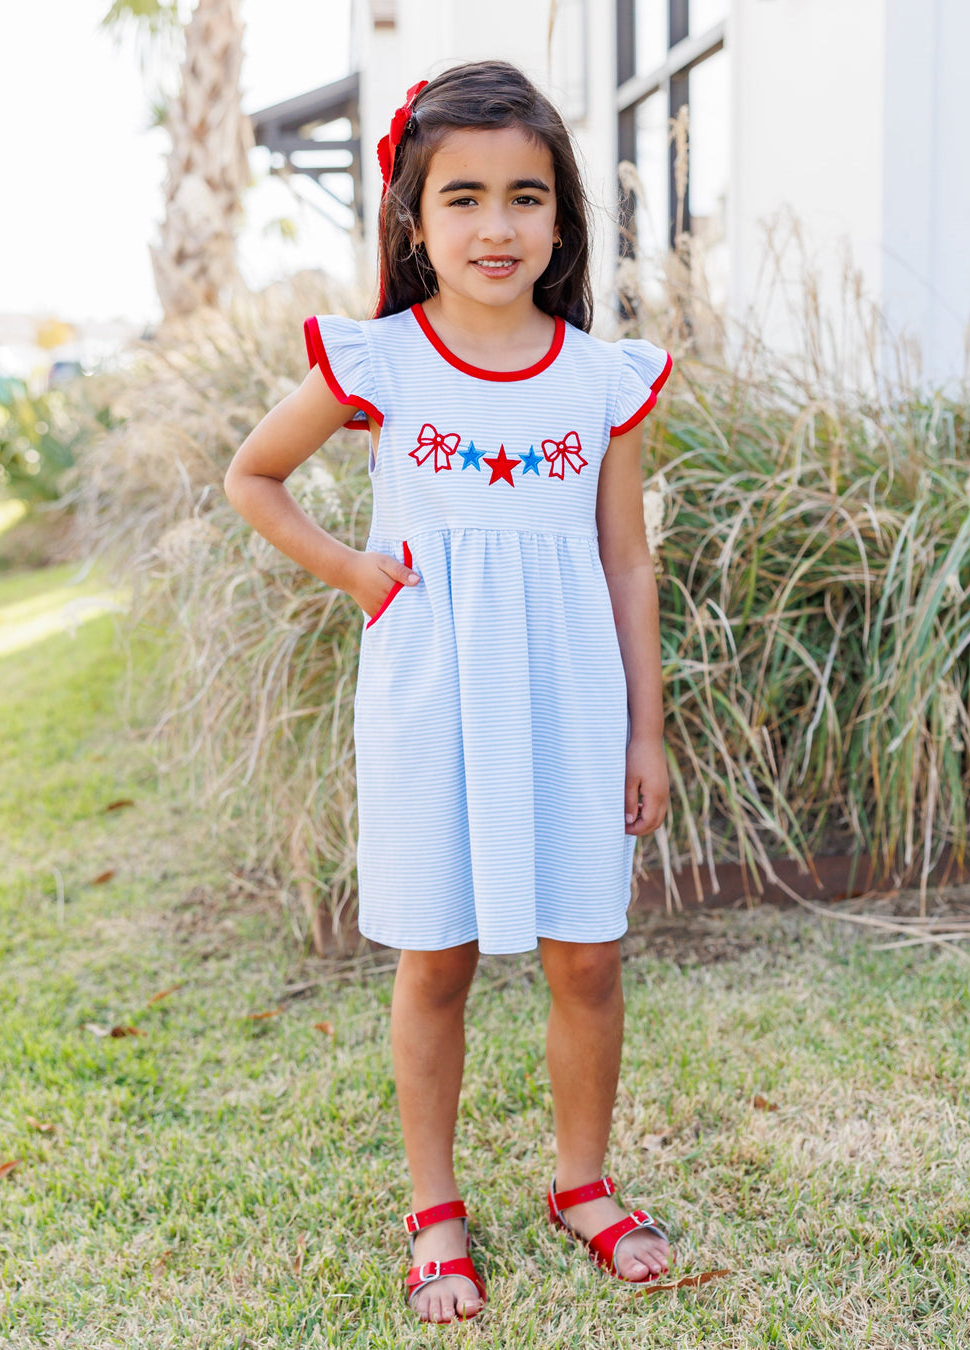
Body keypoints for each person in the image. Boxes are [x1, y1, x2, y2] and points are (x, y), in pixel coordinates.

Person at [224, 60, 674, 1325]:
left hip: (574, 697)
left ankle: (579, 1182)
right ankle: (435, 1204)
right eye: (463, 197)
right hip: (432, 699)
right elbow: (254, 478)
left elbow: (626, 557)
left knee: (587, 954)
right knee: (440, 957)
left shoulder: (602, 378)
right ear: (414, 221)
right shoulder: (383, 362)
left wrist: (648, 727)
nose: (496, 226)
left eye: (525, 197)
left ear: (561, 220)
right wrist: (356, 573)